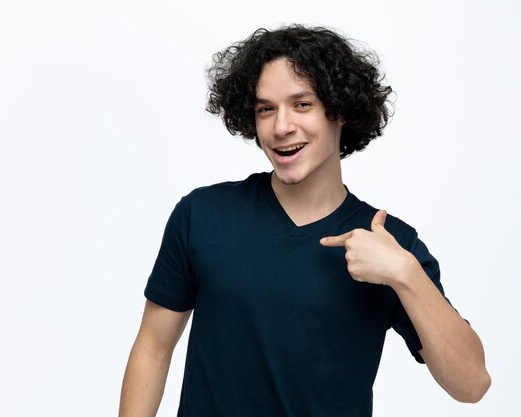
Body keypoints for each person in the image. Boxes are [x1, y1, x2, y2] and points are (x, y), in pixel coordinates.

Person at [119, 24, 491, 417]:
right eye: (266, 109)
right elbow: (153, 348)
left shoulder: (389, 242)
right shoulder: (203, 215)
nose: (281, 128)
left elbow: (470, 384)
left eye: (302, 104)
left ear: (340, 111)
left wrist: (405, 275)